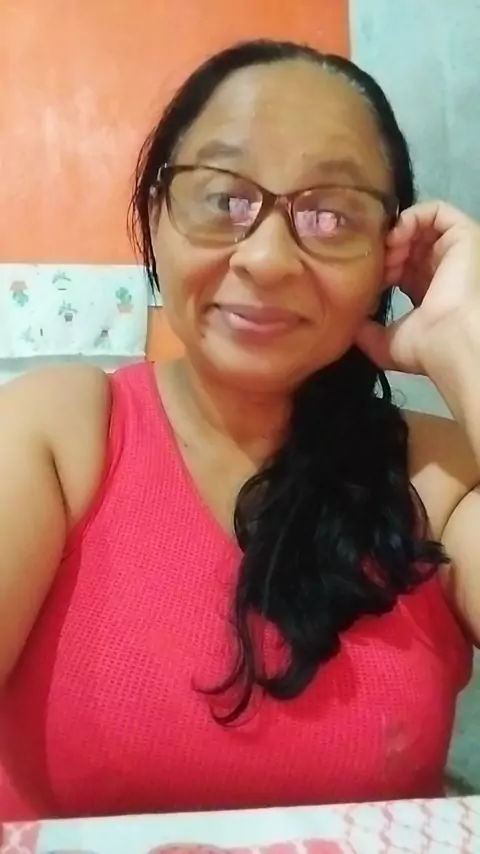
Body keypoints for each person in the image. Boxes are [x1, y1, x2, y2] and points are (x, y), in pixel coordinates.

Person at [0, 39, 479, 822]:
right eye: (224, 199)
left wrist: (469, 342)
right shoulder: (53, 435)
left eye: (329, 214)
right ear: (155, 217)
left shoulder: (440, 474)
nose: (267, 259)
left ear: (388, 259)